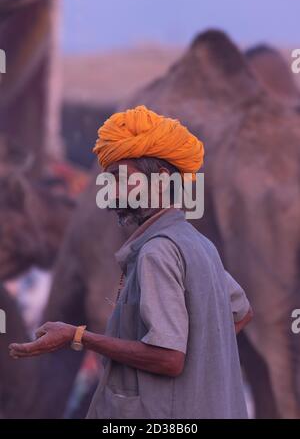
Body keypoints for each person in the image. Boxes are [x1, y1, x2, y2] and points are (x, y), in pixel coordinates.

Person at [9, 105, 252, 419]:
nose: (111, 194)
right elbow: (242, 311)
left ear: (162, 180)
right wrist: (195, 368)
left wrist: (77, 336)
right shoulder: (198, 244)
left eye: (121, 179)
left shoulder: (157, 253)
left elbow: (169, 358)